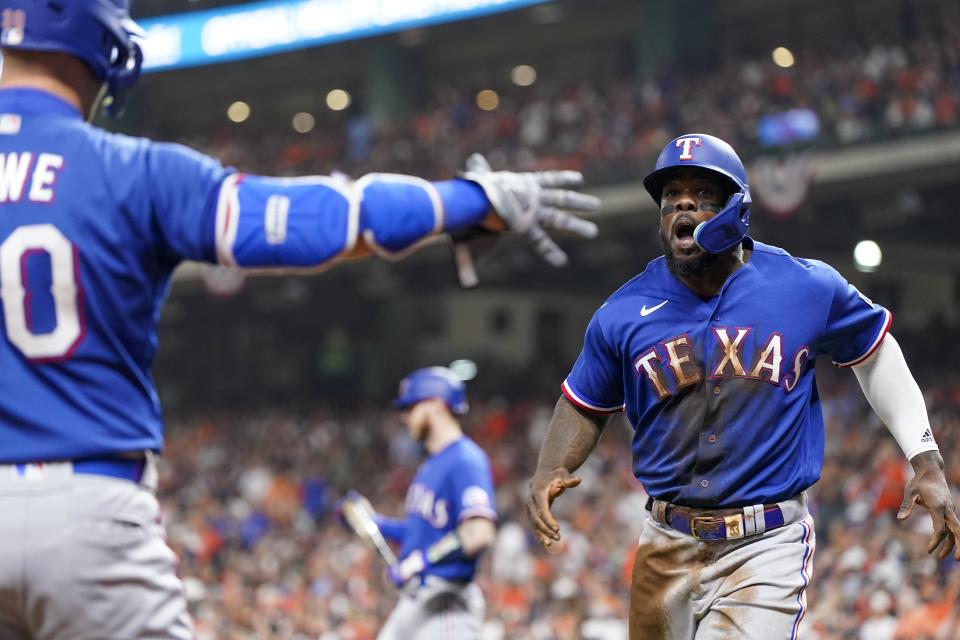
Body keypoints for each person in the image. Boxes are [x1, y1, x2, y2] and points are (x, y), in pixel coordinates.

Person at [0, 2, 598, 638]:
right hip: (85, 512)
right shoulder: (132, 170)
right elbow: (318, 223)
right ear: (104, 49)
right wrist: (471, 200)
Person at [525, 133, 960, 639]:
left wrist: (924, 458)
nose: (682, 205)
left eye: (702, 194)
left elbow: (876, 352)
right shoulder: (622, 311)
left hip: (765, 544)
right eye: (671, 198)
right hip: (665, 542)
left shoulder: (805, 286)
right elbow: (585, 403)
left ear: (738, 209)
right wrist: (549, 466)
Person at [352, 366, 497, 640]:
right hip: (419, 599)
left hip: (446, 600)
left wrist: (421, 562)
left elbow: (479, 533)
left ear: (435, 405)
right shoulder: (431, 464)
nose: (404, 417)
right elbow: (424, 533)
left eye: (410, 408)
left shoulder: (465, 459)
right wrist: (378, 524)